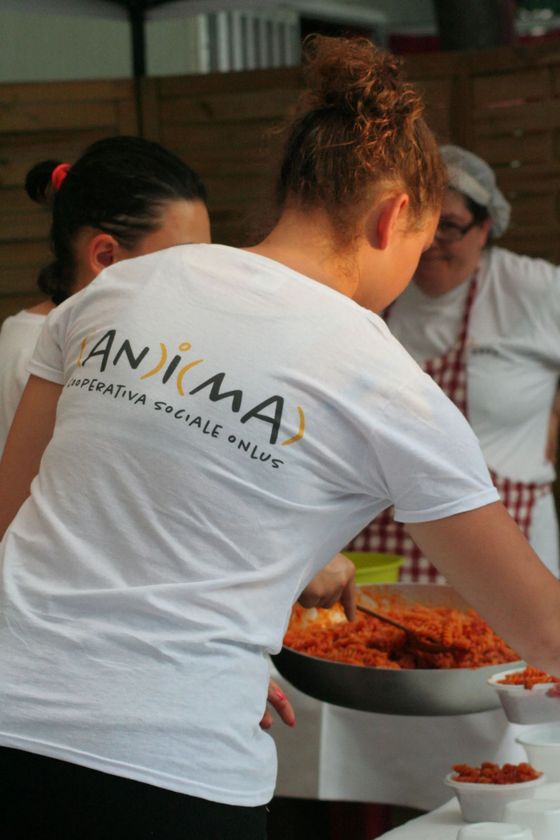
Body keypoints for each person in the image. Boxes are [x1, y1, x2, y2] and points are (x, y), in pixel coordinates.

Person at [1, 35, 560, 840]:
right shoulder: (387, 381)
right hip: (172, 767)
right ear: (394, 216)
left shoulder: (116, 291)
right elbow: (538, 625)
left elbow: (15, 522)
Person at [347, 144, 560, 579]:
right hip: (384, 550)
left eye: (449, 227)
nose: (430, 244)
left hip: (509, 540)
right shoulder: (372, 290)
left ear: (485, 228)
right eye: (418, 226)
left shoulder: (533, 289)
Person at [0, 135, 211, 455]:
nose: (202, 280)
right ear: (105, 257)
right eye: (181, 261)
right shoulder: (30, 354)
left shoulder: (124, 335)